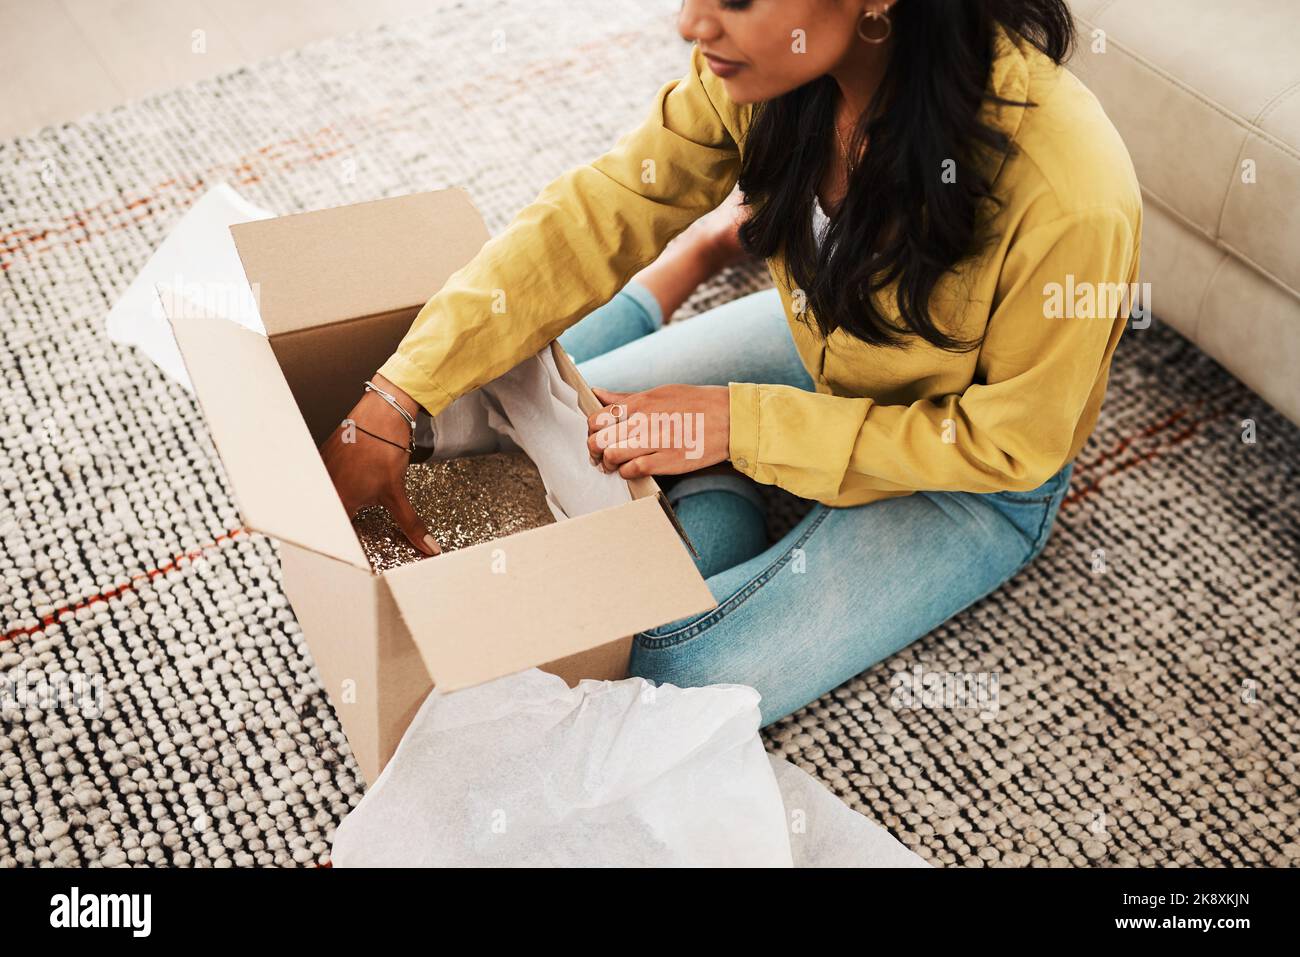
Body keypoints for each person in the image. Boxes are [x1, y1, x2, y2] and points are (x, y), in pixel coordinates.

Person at [321, 0, 1141, 726]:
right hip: (821, 344)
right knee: (561, 406)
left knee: (667, 673)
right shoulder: (761, 72)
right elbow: (597, 214)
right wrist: (394, 393)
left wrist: (737, 424)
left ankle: (727, 474)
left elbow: (1010, 444)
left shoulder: (1070, 189)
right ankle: (725, 453)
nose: (690, 23)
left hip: (967, 473)